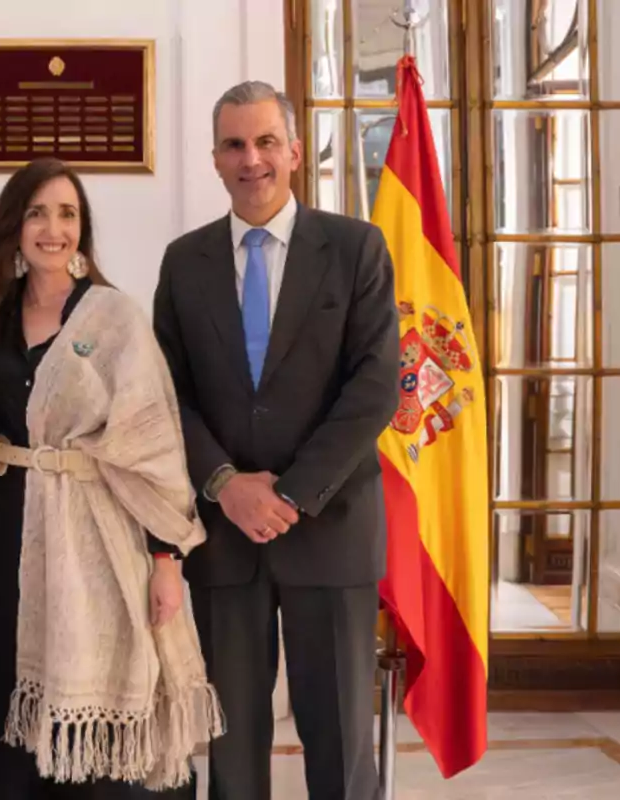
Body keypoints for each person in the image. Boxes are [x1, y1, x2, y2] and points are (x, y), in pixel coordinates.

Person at [152, 81, 400, 800]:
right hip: (224, 536)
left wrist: (290, 493)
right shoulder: (183, 261)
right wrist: (226, 485)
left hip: (331, 525)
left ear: (294, 150)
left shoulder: (355, 248)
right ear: (215, 158)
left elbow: (375, 386)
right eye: (235, 144)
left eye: (265, 142)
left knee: (342, 740)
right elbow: (170, 397)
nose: (251, 159)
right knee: (230, 743)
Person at [0, 157, 222, 800]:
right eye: (37, 213)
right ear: (13, 228)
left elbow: (153, 446)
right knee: (3, 708)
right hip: (0, 540)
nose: (53, 228)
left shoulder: (113, 317)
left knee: (91, 728)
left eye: (68, 214)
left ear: (83, 229)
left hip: (96, 544)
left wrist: (166, 559)